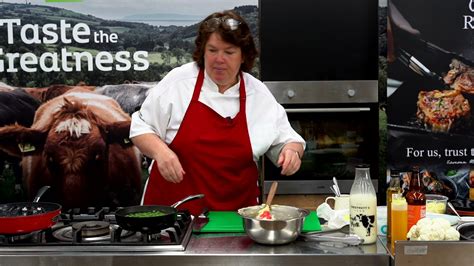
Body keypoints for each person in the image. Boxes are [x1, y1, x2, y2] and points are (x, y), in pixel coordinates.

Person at [130, 10, 305, 215]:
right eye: (212, 50)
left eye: (229, 52)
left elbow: (287, 140)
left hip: (237, 217)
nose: (218, 59)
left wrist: (291, 152)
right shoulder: (179, 82)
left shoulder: (258, 94)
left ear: (243, 56)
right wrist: (161, 152)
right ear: (203, 51)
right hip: (172, 215)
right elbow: (140, 128)